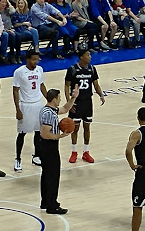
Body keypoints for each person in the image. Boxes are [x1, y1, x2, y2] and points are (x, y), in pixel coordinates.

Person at [39, 86, 79, 214]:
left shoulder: (50, 109)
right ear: (54, 99)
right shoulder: (48, 114)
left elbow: (66, 109)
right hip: (48, 145)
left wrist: (73, 98)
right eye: (59, 98)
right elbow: (45, 134)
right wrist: (60, 136)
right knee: (52, 176)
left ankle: (45, 202)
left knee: (47, 175)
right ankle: (52, 205)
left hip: (48, 146)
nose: (60, 99)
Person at [65, 49, 106, 163]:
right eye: (88, 55)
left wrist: (101, 95)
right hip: (76, 103)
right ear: (81, 57)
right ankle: (74, 152)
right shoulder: (72, 69)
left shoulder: (92, 69)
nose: (90, 57)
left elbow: (96, 84)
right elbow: (67, 86)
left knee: (87, 127)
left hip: (88, 102)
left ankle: (86, 152)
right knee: (75, 128)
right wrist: (69, 102)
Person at [13, 50, 47, 172]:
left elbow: (41, 85)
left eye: (37, 60)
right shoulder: (19, 72)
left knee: (38, 132)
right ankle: (17, 159)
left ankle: (36, 156)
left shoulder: (40, 69)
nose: (35, 62)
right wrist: (17, 109)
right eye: (33, 59)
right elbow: (15, 91)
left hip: (38, 104)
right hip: (25, 105)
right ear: (27, 59)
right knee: (22, 133)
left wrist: (48, 99)